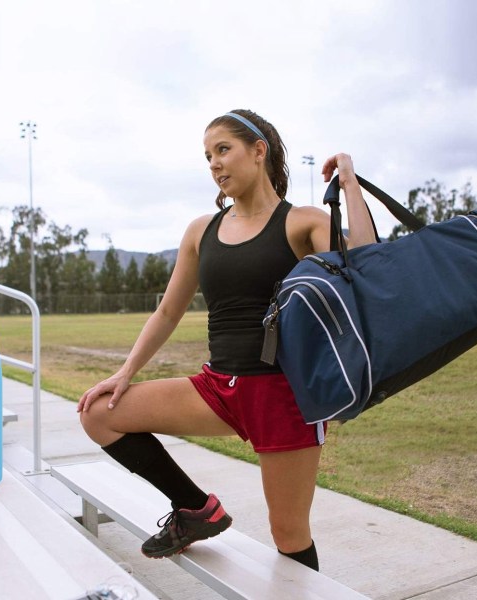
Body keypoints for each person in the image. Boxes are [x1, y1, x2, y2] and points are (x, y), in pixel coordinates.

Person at [78, 109, 377, 571]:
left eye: (223, 150)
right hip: (218, 388)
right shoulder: (202, 230)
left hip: (284, 399)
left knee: (289, 532)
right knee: (99, 413)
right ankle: (196, 510)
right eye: (207, 157)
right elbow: (168, 310)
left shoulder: (302, 222)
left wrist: (351, 183)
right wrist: (125, 373)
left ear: (259, 151)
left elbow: (364, 264)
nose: (215, 164)